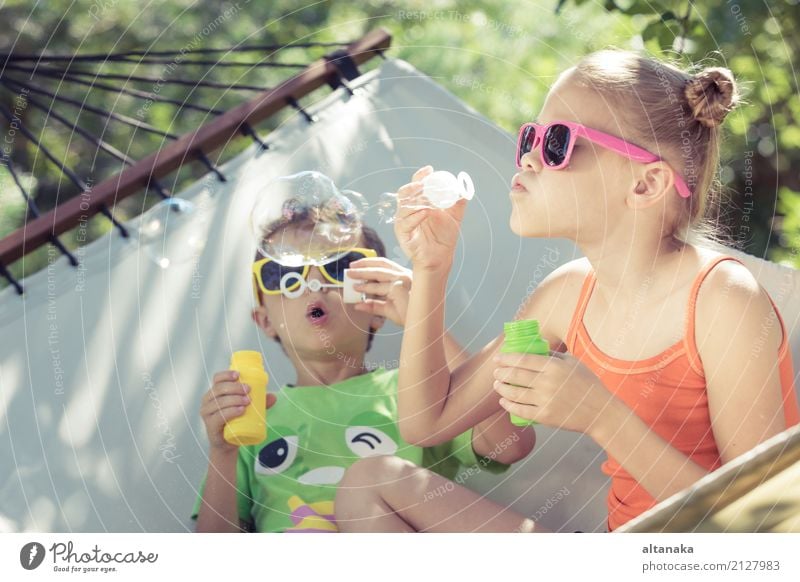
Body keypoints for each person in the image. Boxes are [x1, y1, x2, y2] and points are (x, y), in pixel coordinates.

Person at [334, 49, 800, 533]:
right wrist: (431, 269)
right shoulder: (567, 295)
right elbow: (427, 422)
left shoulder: (723, 300)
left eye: (558, 141)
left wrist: (603, 417)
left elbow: (763, 524)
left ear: (646, 184)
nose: (530, 157)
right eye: (529, 137)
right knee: (370, 482)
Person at [192, 202, 534, 532]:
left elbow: (510, 441)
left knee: (373, 476)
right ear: (264, 320)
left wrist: (422, 318)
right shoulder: (252, 419)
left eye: (340, 268)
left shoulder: (420, 388)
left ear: (375, 307)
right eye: (284, 274)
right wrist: (223, 452)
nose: (314, 282)